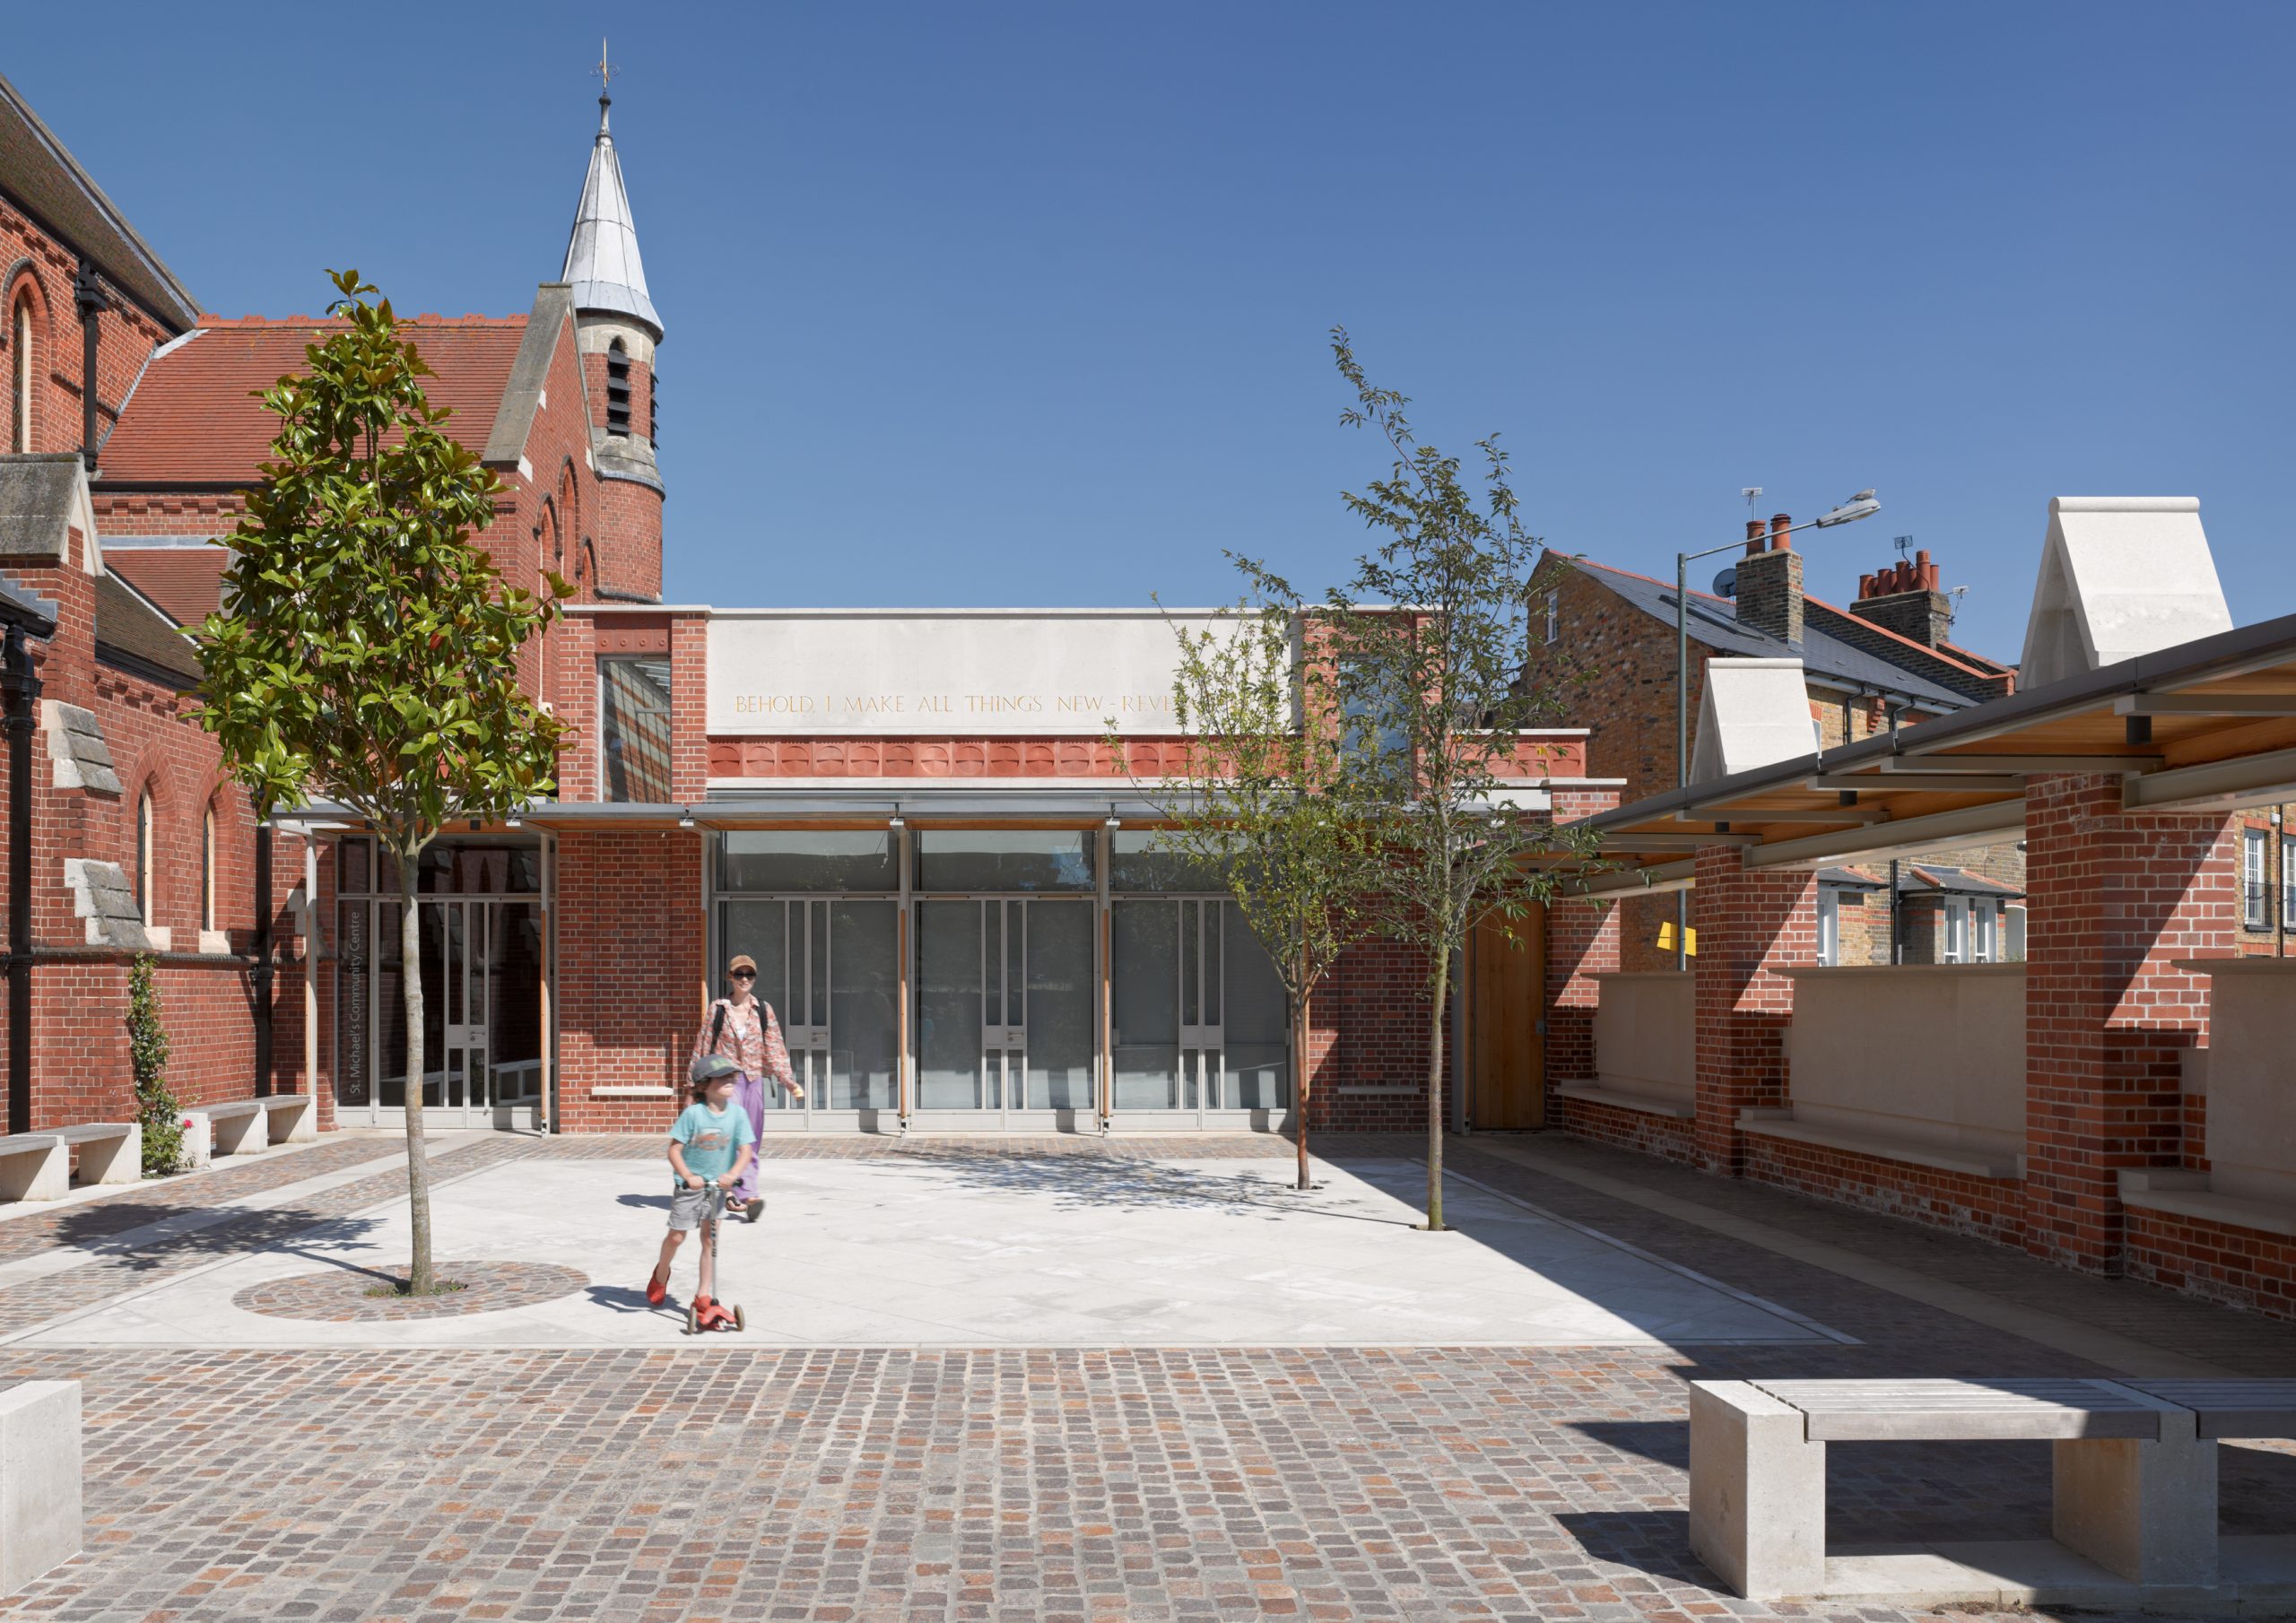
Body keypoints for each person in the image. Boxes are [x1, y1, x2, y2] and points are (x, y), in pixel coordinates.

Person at [689, 953, 803, 1217]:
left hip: (753, 1081)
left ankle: (748, 1193)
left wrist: (789, 1082)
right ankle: (729, 1191)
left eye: (749, 975)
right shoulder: (718, 1009)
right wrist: (691, 1087)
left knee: (751, 1139)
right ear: (730, 977)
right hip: (724, 1082)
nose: (744, 979)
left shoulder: (763, 1009)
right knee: (729, 1135)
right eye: (739, 974)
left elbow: (775, 1049)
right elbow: (702, 1047)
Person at [645, 1056, 757, 1307]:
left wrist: (732, 1174)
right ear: (704, 1085)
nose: (730, 1080)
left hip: (717, 1189)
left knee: (710, 1239)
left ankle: (703, 1295)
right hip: (690, 1188)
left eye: (732, 1076)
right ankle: (661, 1273)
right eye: (722, 1077)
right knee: (676, 1237)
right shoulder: (693, 1115)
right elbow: (674, 1151)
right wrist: (687, 1176)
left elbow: (746, 1150)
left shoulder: (737, 1115)